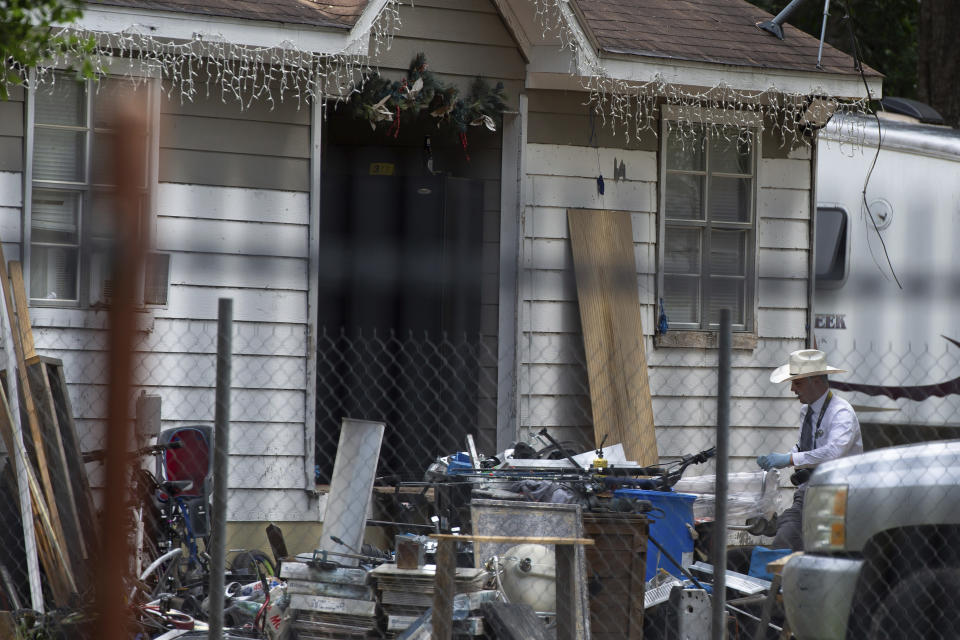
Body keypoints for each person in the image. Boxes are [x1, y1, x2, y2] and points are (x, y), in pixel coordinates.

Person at [756, 349, 863, 551]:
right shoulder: (807, 410)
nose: (792, 390)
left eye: (797, 383)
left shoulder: (841, 412)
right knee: (783, 543)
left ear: (815, 380)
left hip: (836, 495)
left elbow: (833, 452)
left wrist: (789, 459)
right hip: (807, 492)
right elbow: (804, 446)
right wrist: (782, 457)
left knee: (822, 552)